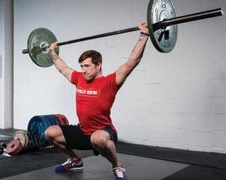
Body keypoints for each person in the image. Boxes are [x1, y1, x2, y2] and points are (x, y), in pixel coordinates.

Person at [44, 22, 149, 180]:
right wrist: (52, 51)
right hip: (83, 131)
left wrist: (144, 36)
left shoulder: (110, 83)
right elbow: (62, 68)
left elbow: (131, 62)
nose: (83, 70)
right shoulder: (79, 78)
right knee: (50, 133)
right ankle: (75, 161)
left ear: (98, 65)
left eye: (87, 66)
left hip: (103, 132)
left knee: (97, 138)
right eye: (81, 66)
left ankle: (117, 166)